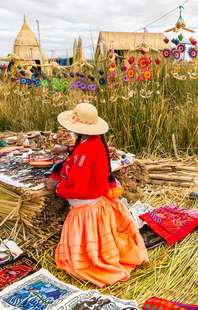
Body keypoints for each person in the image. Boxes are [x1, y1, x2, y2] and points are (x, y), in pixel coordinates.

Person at [44, 103, 148, 287]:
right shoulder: (98, 141)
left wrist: (56, 186)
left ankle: (98, 266)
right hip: (99, 203)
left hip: (86, 210)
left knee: (88, 259)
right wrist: (65, 149)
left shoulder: (82, 155)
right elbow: (84, 148)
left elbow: (78, 189)